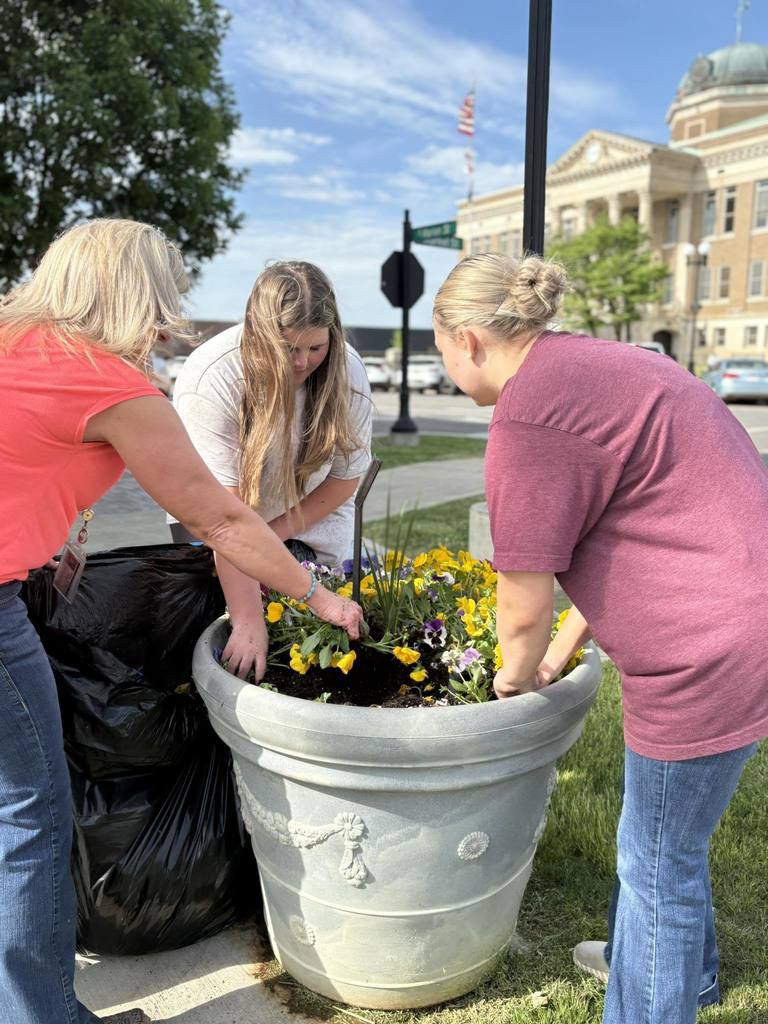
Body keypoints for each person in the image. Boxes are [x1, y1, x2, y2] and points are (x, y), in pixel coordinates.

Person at [0, 219, 363, 1024]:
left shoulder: (10, 341)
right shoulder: (111, 384)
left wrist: (44, 540)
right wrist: (321, 598)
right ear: (136, 291)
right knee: (30, 816)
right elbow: (224, 522)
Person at [431, 252, 767, 1024]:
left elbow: (522, 595)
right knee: (670, 836)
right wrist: (556, 655)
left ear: (468, 339)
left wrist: (512, 678)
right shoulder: (601, 365)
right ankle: (695, 974)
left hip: (705, 648)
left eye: (442, 351)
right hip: (745, 615)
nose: (446, 366)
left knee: (656, 863)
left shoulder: (529, 412)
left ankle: (650, 1003)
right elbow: (623, 533)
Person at [170, 261, 372, 681]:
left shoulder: (346, 370)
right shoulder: (214, 376)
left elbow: (344, 481)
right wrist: (247, 620)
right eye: (287, 349)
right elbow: (222, 517)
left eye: (315, 348)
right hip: (218, 527)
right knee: (234, 641)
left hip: (311, 513)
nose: (301, 363)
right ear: (258, 335)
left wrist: (269, 541)